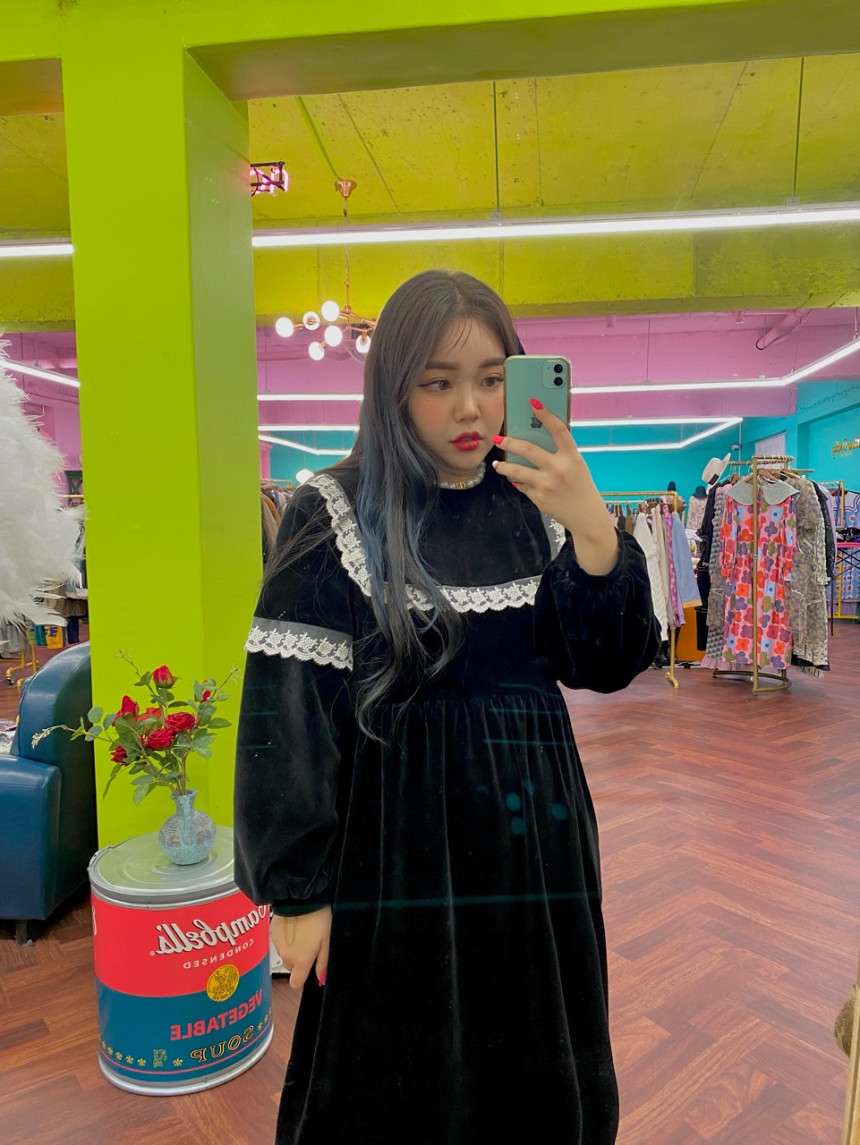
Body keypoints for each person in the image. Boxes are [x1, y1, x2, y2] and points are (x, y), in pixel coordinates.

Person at [233, 270, 659, 1145]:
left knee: (534, 1061)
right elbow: (287, 708)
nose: (469, 406)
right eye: (438, 381)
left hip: (535, 843)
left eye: (491, 378)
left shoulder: (539, 501)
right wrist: (298, 892)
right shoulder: (334, 509)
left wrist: (593, 528)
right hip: (394, 850)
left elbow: (606, 664)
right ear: (393, 388)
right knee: (393, 1079)